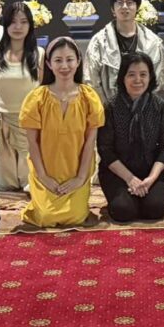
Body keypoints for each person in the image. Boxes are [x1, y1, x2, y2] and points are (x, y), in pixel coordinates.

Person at [19, 37, 104, 227]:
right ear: (49, 64)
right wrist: (43, 177)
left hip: (76, 170)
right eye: (58, 60)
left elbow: (90, 142)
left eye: (69, 59)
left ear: (78, 61)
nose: (64, 66)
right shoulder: (36, 98)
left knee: (75, 217)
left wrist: (80, 178)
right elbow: (32, 143)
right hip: (46, 171)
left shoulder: (89, 97)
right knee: (46, 218)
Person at [97, 53, 164, 222]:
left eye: (143, 74)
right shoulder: (111, 106)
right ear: (123, 77)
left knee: (155, 209)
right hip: (118, 172)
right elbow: (105, 149)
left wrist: (151, 179)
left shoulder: (159, 105)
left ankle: (142, 194)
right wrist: (130, 179)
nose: (138, 80)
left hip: (149, 170)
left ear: (150, 77)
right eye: (131, 74)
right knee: (123, 211)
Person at [0, 1, 44, 193]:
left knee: (31, 180)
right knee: (5, 183)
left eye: (23, 22)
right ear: (6, 23)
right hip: (1, 122)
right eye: (13, 22)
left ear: (30, 25)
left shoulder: (39, 54)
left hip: (30, 123)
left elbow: (44, 92)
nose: (18, 27)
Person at [85, 0, 164, 103]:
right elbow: (91, 81)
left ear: (137, 7)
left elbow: (161, 79)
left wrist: (143, 103)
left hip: (144, 109)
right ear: (113, 9)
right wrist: (107, 107)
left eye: (129, 2)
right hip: (108, 108)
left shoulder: (152, 42)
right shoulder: (99, 42)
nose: (124, 7)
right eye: (120, 2)